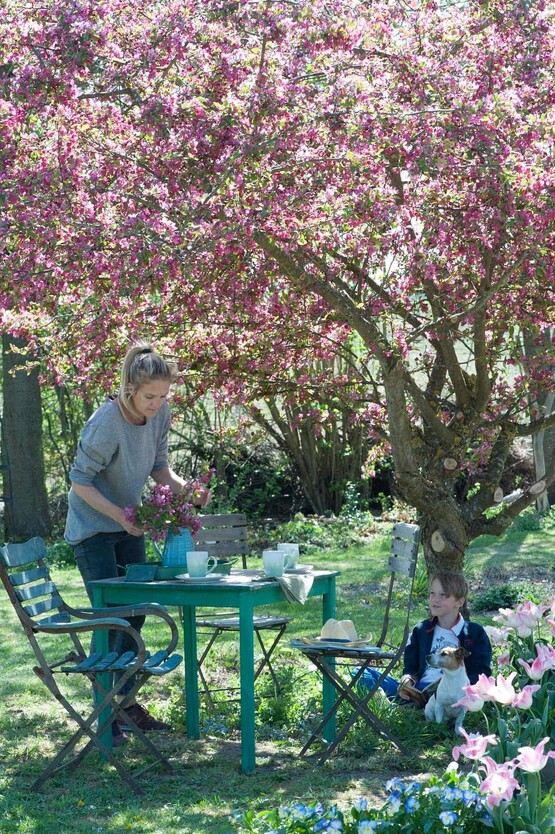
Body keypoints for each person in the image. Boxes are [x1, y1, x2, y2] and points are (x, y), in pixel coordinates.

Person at [65, 342, 211, 745]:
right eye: (150, 396)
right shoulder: (106, 422)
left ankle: (124, 706)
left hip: (130, 525)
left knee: (135, 617)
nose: (157, 403)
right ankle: (106, 717)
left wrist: (188, 490)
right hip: (94, 530)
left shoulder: (160, 413)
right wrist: (120, 516)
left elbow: (159, 467)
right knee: (109, 621)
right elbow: (79, 482)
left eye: (163, 396)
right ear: (130, 387)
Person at [358, 571, 492, 702]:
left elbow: (482, 673)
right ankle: (392, 705)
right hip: (419, 692)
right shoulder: (421, 630)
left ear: (459, 602)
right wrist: (408, 680)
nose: (435, 599)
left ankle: (403, 707)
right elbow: (411, 667)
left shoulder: (475, 633)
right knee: (362, 673)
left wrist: (463, 690)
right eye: (432, 593)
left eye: (443, 595)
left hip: (453, 694)